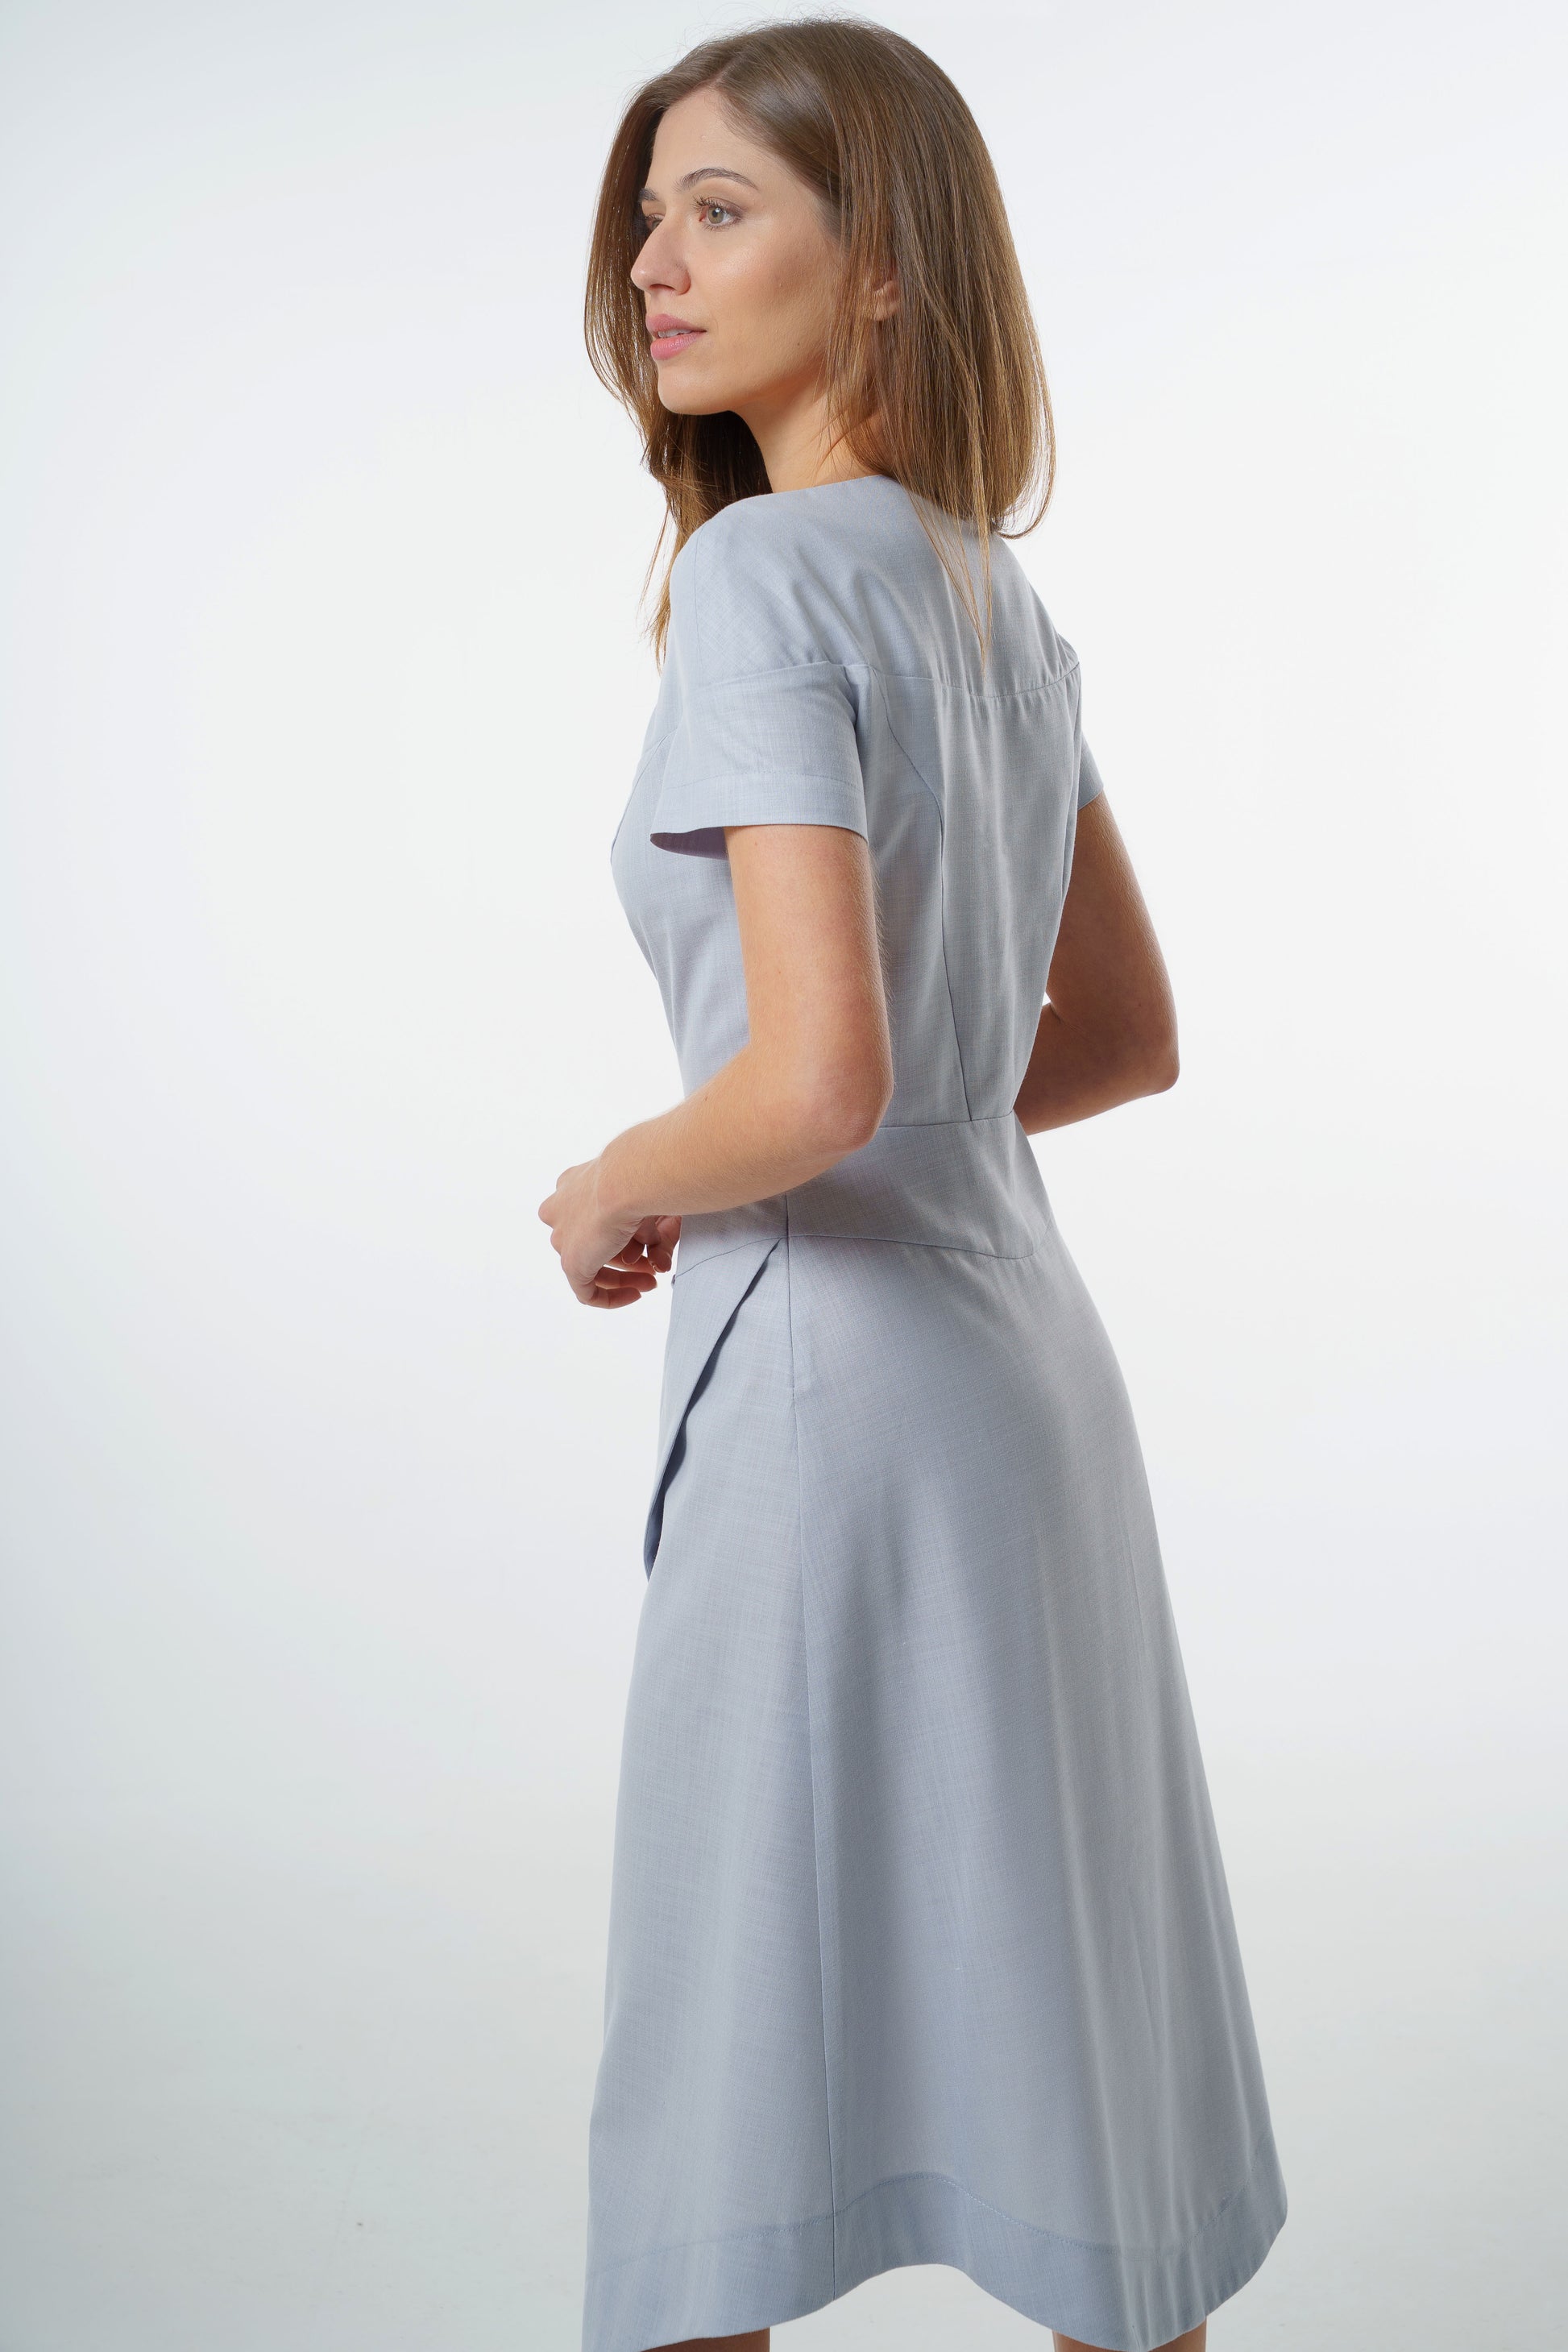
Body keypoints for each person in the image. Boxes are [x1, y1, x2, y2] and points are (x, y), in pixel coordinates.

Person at [539, 19, 1288, 2352]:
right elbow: (1119, 1042)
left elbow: (816, 1080)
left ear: (885, 274)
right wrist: (887, 1119)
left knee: (722, 2058)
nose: (657, 262)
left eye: (724, 207)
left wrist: (616, 1179)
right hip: (1022, 1370)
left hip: (832, 1404)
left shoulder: (769, 583)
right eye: (651, 212)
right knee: (1066, 2016)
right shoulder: (990, 599)